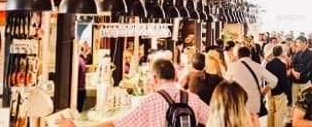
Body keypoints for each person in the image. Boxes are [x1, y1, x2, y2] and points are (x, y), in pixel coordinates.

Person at [57, 59, 209, 127]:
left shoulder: (149, 102)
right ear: (175, 77)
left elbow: (116, 125)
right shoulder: (193, 99)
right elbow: (216, 119)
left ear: (155, 78)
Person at [226, 45, 278, 122]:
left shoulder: (232, 67)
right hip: (254, 104)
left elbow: (226, 84)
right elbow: (274, 80)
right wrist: (263, 92)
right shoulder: (257, 66)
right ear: (250, 55)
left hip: (239, 103)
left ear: (238, 56)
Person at [265, 45, 290, 127]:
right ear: (281, 53)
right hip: (279, 91)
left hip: (270, 91)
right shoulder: (282, 65)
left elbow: (266, 79)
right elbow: (283, 80)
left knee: (270, 111)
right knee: (279, 114)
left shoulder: (268, 64)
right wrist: (287, 92)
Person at [290, 35, 312, 106]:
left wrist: (300, 73)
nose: (296, 44)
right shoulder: (297, 53)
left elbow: (309, 67)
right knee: (295, 101)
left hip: (306, 81)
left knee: (306, 101)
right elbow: (292, 64)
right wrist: (294, 72)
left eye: (298, 42)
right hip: (295, 80)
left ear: (304, 43)